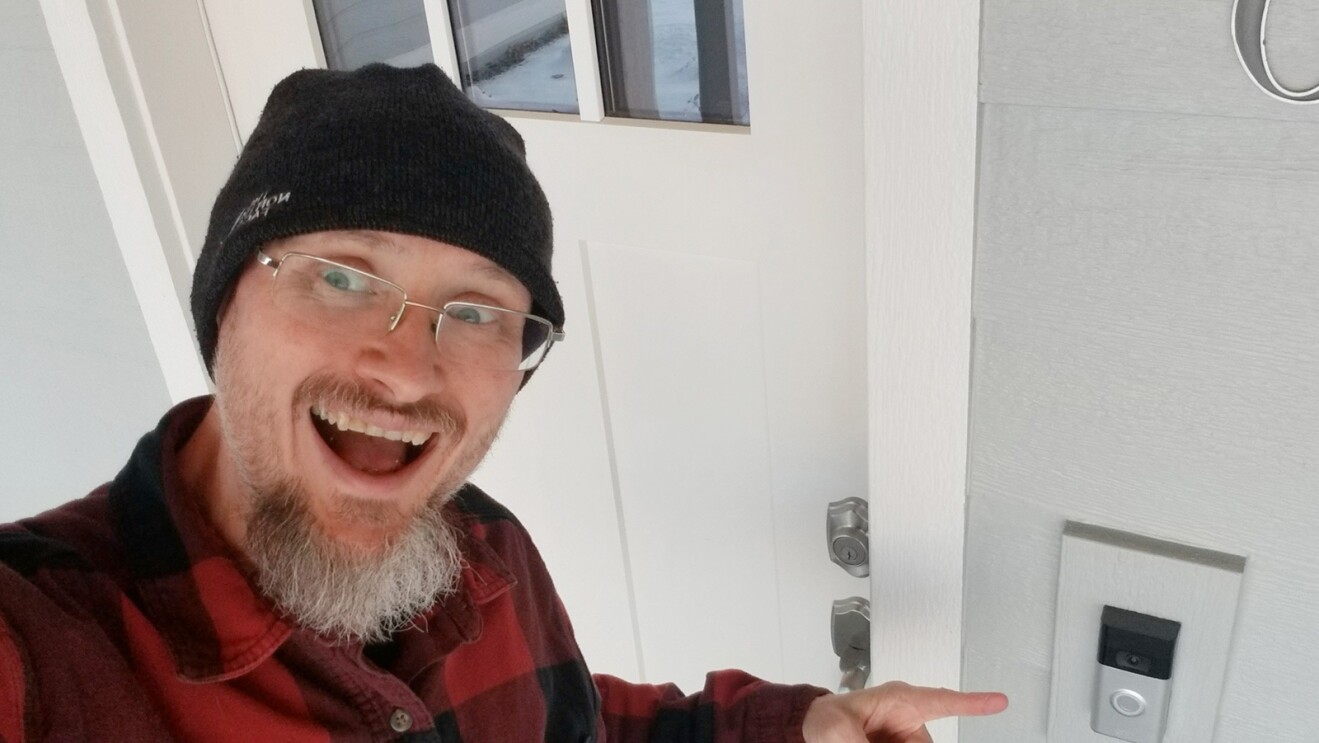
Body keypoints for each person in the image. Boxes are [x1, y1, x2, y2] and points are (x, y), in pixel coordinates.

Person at [0, 63, 1005, 742]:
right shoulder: (51, 648)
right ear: (223, 307)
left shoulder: (481, 548)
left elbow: (573, 722)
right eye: (342, 277)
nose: (403, 370)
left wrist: (790, 725)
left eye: (476, 310)